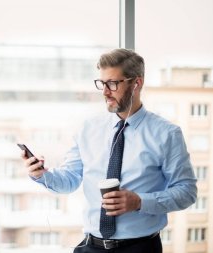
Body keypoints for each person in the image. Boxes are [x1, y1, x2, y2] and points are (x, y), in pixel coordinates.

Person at [20, 48, 197, 253]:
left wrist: (140, 202)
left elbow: (187, 192)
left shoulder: (167, 134)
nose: (105, 92)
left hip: (140, 248)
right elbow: (69, 181)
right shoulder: (88, 129)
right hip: (91, 246)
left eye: (112, 84)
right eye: (102, 83)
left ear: (136, 83)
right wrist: (42, 175)